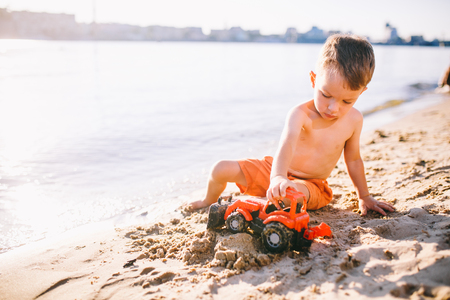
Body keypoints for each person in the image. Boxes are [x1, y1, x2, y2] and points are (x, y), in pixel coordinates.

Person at [189, 34, 395, 216]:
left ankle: (260, 204)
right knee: (220, 169)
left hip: (311, 185)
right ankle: (209, 201)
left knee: (291, 194)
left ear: (361, 93)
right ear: (314, 80)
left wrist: (365, 196)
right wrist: (277, 177)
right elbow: (286, 145)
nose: (333, 107)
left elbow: (354, 160)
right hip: (274, 170)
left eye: (347, 101)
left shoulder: (354, 120)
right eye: (326, 95)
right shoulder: (300, 114)